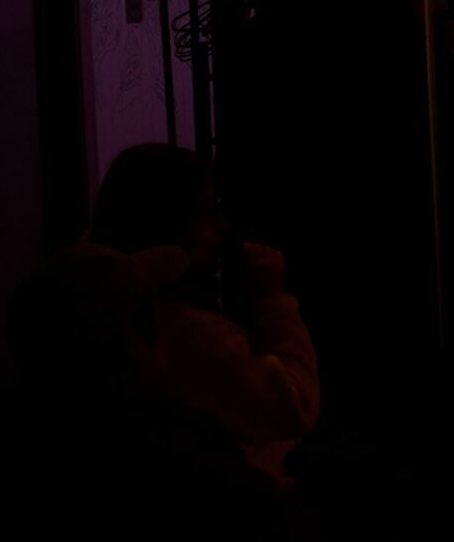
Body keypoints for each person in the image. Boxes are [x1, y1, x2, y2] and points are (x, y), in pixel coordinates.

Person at [82, 142, 321, 484]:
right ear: (167, 222)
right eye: (209, 212)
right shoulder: (183, 333)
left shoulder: (106, 311)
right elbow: (295, 406)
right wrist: (273, 300)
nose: (223, 226)